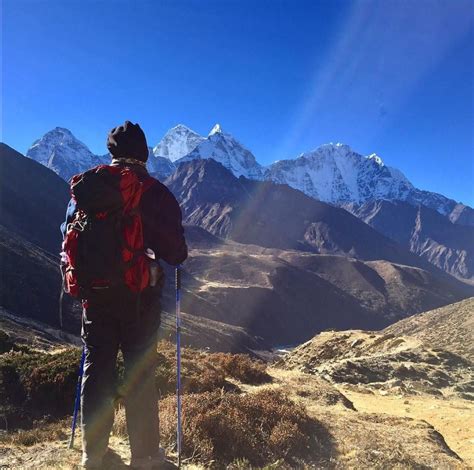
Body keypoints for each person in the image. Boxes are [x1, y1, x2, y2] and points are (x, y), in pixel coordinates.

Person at [61, 121, 188, 470]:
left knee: (97, 368)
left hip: (95, 298)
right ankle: (146, 458)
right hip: (139, 301)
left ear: (112, 152)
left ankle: (93, 455)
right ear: (145, 154)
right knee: (140, 373)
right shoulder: (155, 192)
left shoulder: (87, 189)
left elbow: (67, 234)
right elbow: (176, 253)